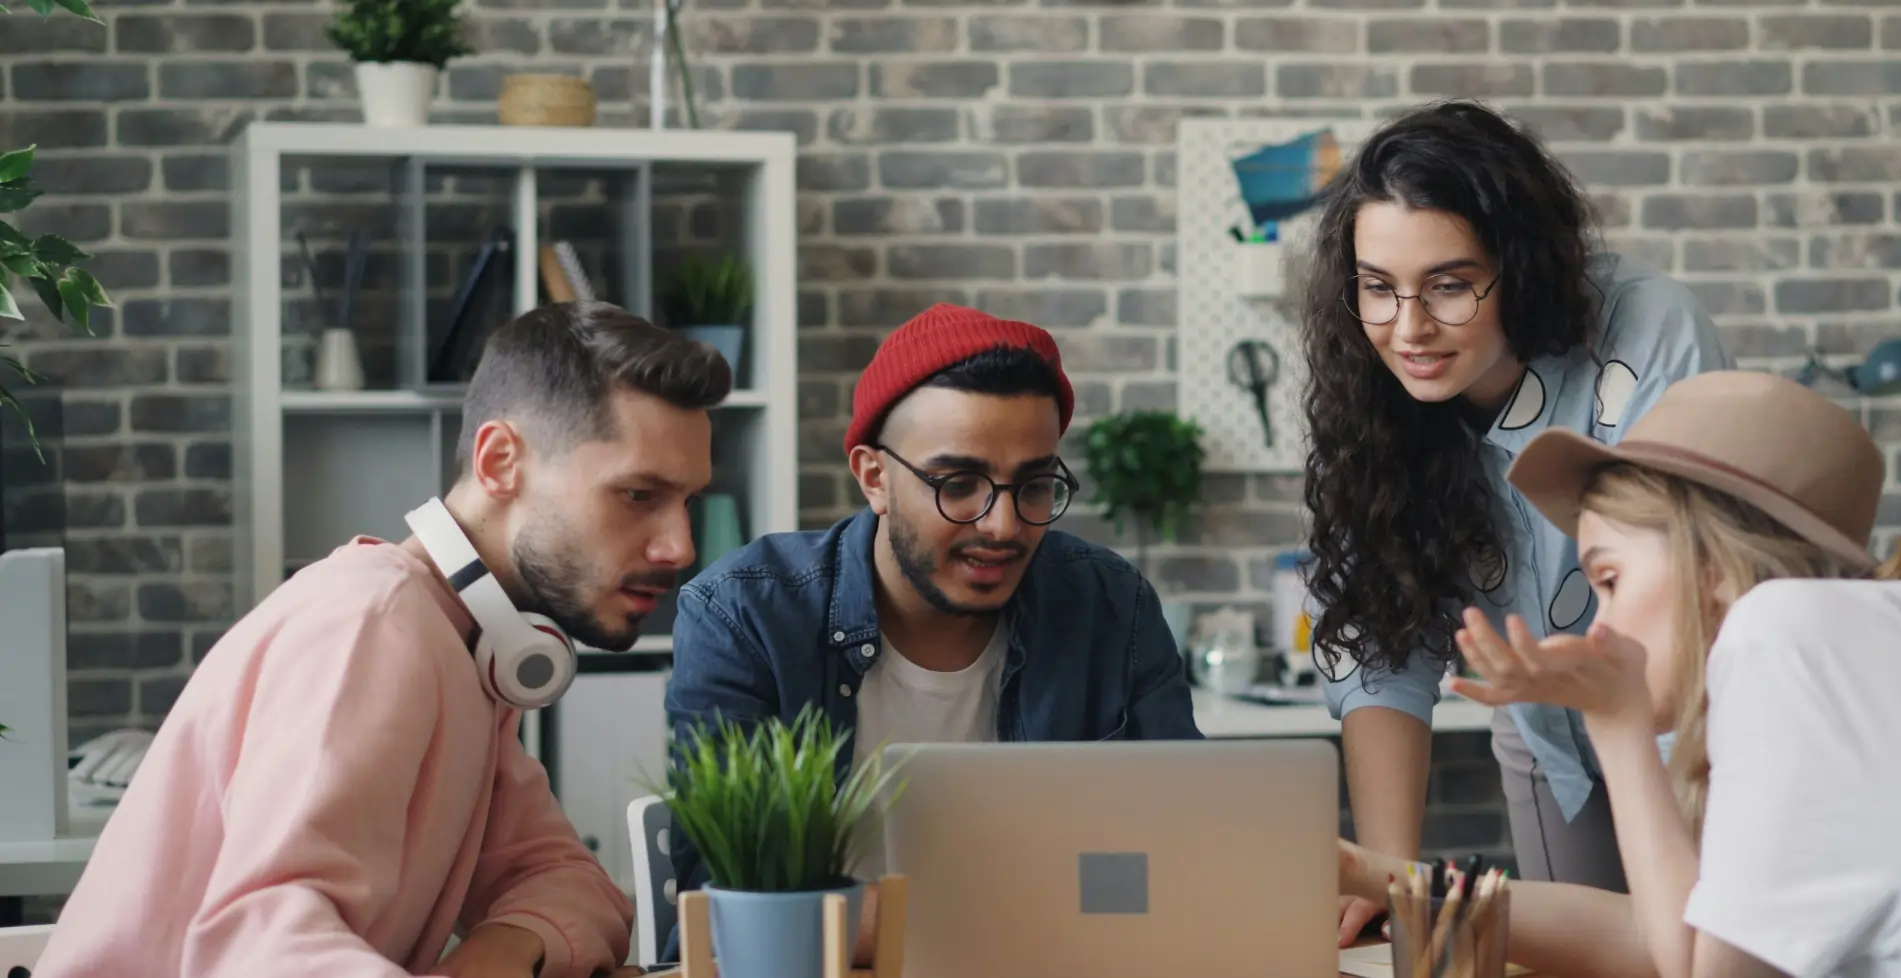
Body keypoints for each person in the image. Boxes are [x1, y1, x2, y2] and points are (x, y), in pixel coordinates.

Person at [1337, 370, 1901, 978]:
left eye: (1608, 581)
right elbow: (1672, 941)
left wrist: (1617, 720)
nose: (1598, 625)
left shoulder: (1783, 630)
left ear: (1711, 568)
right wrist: (1372, 873)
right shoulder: (1884, 635)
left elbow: (1692, 971)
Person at [36, 301, 733, 978]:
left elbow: (565, 879)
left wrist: (509, 946)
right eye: (639, 495)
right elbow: (260, 945)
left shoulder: (471, 642)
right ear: (499, 463)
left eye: (688, 502)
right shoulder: (373, 627)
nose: (680, 546)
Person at [1299, 98, 1733, 942]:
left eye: (1450, 286)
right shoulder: (1365, 389)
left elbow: (1686, 596)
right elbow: (1381, 645)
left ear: (1521, 266)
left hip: (1696, 730)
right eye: (1378, 289)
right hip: (1547, 743)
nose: (1409, 328)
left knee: (1695, 954)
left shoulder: (1651, 335)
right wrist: (1385, 876)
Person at [665, 302, 1202, 945]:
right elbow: (727, 898)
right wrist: (1009, 916)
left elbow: (1179, 848)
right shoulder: (745, 615)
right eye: (959, 483)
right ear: (875, 477)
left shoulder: (1110, 603)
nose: (1002, 526)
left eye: (1033, 486)